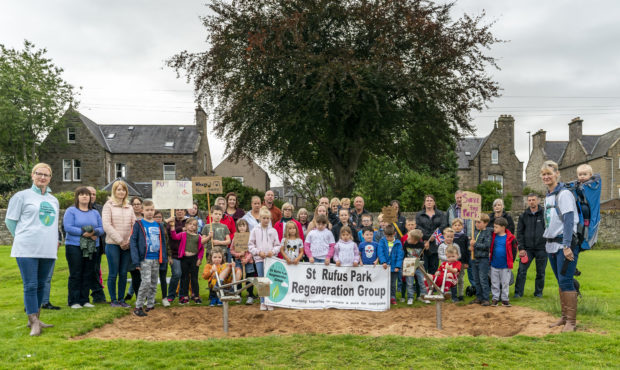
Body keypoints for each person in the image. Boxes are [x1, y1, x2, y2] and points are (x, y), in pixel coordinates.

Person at [6, 163, 59, 336]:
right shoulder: (21, 196)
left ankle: (36, 317)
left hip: (47, 248)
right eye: (39, 174)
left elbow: (51, 224)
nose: (42, 177)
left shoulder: (53, 200)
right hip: (27, 248)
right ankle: (33, 321)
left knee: (42, 285)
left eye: (46, 175)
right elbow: (10, 221)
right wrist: (22, 236)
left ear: (50, 178)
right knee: (31, 284)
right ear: (32, 175)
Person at [541, 160, 580, 332]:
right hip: (551, 245)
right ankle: (564, 317)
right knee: (560, 281)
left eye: (549, 173)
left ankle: (571, 322)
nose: (546, 176)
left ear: (557, 174)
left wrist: (566, 245)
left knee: (565, 281)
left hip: (565, 244)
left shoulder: (564, 194)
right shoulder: (548, 196)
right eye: (544, 174)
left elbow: (569, 219)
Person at [63, 187, 104, 309]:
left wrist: (94, 232)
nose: (85, 197)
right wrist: (83, 232)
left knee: (88, 273)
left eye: (87, 195)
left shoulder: (95, 212)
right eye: (82, 195)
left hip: (92, 247)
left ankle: (84, 299)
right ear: (77, 197)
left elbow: (101, 228)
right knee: (76, 273)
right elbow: (68, 227)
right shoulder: (71, 211)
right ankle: (74, 301)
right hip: (74, 246)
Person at [130, 200, 168, 316]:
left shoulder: (159, 225)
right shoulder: (138, 224)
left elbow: (163, 242)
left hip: (156, 258)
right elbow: (133, 242)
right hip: (144, 259)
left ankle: (150, 304)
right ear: (142, 210)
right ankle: (138, 306)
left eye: (152, 210)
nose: (150, 212)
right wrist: (136, 261)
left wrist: (163, 258)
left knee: (153, 282)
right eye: (147, 210)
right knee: (145, 282)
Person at [102, 180, 136, 307]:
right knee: (113, 272)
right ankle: (113, 300)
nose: (121, 192)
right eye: (118, 189)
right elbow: (107, 225)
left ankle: (122, 299)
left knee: (123, 273)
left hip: (127, 245)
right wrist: (120, 241)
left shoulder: (129, 207)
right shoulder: (108, 205)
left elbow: (134, 225)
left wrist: (128, 240)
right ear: (114, 191)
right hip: (113, 244)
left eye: (123, 190)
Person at [515, 193, 547, 298]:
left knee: (541, 272)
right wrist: (521, 248)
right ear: (527, 202)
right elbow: (519, 233)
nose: (531, 202)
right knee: (521, 271)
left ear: (538, 201)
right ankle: (518, 293)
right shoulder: (523, 216)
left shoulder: (545, 214)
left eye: (533, 200)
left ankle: (538, 293)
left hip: (542, 248)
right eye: (529, 200)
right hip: (527, 249)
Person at [248, 207, 281, 311]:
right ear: (260, 218)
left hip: (271, 260)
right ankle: (263, 302)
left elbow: (278, 245)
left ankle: (270, 301)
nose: (266, 220)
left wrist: (273, 252)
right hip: (259, 259)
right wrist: (258, 252)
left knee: (270, 280)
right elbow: (250, 245)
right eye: (264, 218)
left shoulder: (273, 231)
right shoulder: (255, 230)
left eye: (268, 218)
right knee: (262, 280)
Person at [170, 217, 205, 305]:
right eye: (190, 224)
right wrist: (173, 228)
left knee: (194, 278)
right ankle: (184, 296)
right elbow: (174, 237)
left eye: (194, 225)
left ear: (196, 227)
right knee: (184, 278)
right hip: (184, 259)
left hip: (194, 259)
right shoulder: (183, 234)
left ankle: (196, 295)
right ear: (186, 225)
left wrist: (199, 259)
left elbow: (201, 249)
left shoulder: (198, 237)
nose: (192, 226)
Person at [489, 217, 518, 307]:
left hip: (505, 265)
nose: (494, 229)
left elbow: (514, 250)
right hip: (494, 264)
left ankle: (505, 299)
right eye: (494, 227)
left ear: (503, 227)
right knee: (494, 282)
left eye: (496, 227)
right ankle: (495, 298)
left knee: (505, 283)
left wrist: (511, 261)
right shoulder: (493, 236)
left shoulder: (511, 238)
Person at [415, 194, 447, 275]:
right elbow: (418, 227)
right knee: (423, 269)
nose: (429, 202)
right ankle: (424, 287)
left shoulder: (440, 214)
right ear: (424, 203)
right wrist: (427, 237)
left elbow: (443, 225)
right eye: (427, 200)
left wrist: (434, 236)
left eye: (431, 200)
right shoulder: (419, 214)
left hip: (436, 244)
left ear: (434, 203)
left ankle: (432, 287)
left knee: (434, 268)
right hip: (424, 243)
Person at [230, 219, 258, 305]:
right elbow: (231, 250)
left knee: (249, 279)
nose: (242, 228)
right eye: (240, 226)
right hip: (239, 261)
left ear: (247, 227)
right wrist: (238, 254)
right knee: (239, 278)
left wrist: (247, 259)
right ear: (237, 227)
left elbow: (252, 249)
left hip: (248, 262)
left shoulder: (250, 237)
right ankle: (239, 295)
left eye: (243, 226)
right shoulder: (236, 237)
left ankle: (250, 295)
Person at [86, 186, 106, 304]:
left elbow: (104, 225)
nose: (92, 196)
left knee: (95, 270)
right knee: (81, 271)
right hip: (80, 246)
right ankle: (78, 297)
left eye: (94, 194)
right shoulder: (74, 209)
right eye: (90, 194)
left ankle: (98, 296)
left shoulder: (100, 209)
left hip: (98, 245)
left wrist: (96, 233)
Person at [469, 214, 492, 306]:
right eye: (476, 222)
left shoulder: (487, 233)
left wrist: (475, 245)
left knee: (483, 279)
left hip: (483, 259)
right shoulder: (474, 232)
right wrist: (470, 247)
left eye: (479, 222)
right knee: (476, 279)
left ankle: (486, 298)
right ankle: (479, 297)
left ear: (485, 223)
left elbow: (487, 246)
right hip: (474, 259)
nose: (477, 224)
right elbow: (471, 244)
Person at [378, 224, 404, 305]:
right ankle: (384, 297)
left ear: (394, 234)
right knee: (384, 282)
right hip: (384, 267)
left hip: (394, 268)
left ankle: (392, 297)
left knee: (393, 284)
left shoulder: (398, 243)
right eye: (387, 236)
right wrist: (383, 262)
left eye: (390, 236)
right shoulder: (382, 241)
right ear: (384, 235)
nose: (389, 238)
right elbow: (380, 252)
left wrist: (397, 266)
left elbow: (400, 256)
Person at [402, 229, 430, 305]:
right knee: (409, 283)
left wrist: (427, 248)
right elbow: (404, 254)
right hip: (409, 265)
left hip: (419, 265)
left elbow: (426, 254)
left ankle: (424, 297)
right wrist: (403, 263)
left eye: (409, 238)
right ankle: (410, 297)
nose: (407, 239)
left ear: (415, 240)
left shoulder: (421, 245)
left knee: (422, 282)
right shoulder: (406, 244)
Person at [165, 208, 187, 303]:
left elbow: (193, 228)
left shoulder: (188, 221)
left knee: (184, 275)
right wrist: (181, 229)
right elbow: (169, 231)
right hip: (174, 253)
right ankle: (171, 295)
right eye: (177, 210)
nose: (179, 211)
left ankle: (182, 295)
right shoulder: (171, 221)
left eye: (182, 210)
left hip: (186, 252)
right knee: (177, 274)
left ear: (185, 212)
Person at [125, 195, 144, 302]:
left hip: (144, 249)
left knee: (145, 275)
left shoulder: (146, 216)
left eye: (138, 204)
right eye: (134, 204)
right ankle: (138, 297)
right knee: (135, 273)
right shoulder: (128, 217)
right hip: (132, 249)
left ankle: (145, 296)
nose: (136, 206)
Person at [153, 210, 171, 307]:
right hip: (152, 256)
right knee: (152, 279)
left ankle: (164, 297)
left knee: (163, 278)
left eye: (160, 217)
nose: (158, 219)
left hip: (163, 256)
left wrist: (169, 255)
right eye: (156, 217)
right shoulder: (150, 227)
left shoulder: (164, 228)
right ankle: (151, 298)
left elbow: (167, 243)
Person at [451, 218, 470, 302]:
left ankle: (461, 294)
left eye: (459, 225)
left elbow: (467, 250)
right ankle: (453, 294)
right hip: (452, 262)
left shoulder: (465, 237)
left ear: (462, 226)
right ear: (452, 226)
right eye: (455, 225)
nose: (457, 227)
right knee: (452, 278)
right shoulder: (450, 237)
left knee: (460, 278)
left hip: (461, 261)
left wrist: (466, 262)